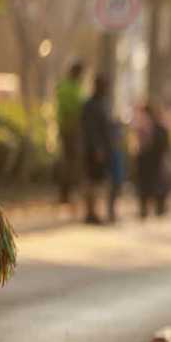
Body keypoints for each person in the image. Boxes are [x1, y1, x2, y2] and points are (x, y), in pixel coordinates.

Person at [80, 75, 115, 225]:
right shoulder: (91, 105)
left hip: (102, 149)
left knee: (99, 181)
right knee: (93, 181)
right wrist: (97, 148)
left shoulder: (103, 104)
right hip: (94, 150)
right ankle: (90, 212)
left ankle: (96, 211)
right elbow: (90, 130)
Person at [55, 62, 87, 206]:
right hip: (71, 128)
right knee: (71, 162)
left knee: (68, 161)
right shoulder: (72, 87)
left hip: (66, 127)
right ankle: (67, 193)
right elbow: (76, 107)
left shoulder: (65, 86)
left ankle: (66, 193)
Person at [134, 103, 171, 219]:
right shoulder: (148, 125)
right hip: (147, 160)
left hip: (151, 159)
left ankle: (153, 208)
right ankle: (147, 209)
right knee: (149, 185)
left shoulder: (154, 126)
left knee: (153, 184)